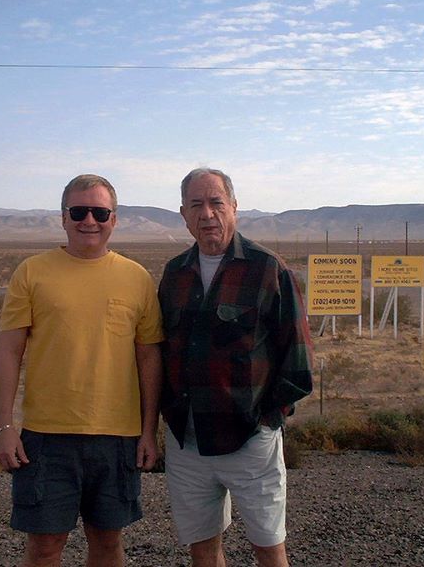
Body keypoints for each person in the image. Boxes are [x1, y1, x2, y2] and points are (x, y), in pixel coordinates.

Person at [0, 174, 163, 567]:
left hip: (117, 437)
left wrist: (149, 430)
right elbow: (8, 350)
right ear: (63, 217)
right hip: (47, 437)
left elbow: (149, 358)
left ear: (114, 219)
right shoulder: (32, 272)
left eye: (100, 212)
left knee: (107, 543)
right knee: (46, 547)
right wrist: (3, 426)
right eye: (79, 211)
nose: (90, 220)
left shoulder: (137, 278)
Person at [159, 167, 314, 567]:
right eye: (196, 205)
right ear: (183, 213)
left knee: (268, 546)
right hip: (187, 442)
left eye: (216, 203)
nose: (207, 214)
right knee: (203, 547)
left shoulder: (268, 269)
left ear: (234, 208)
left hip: (249, 439)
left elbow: (297, 360)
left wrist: (268, 421)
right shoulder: (174, 274)